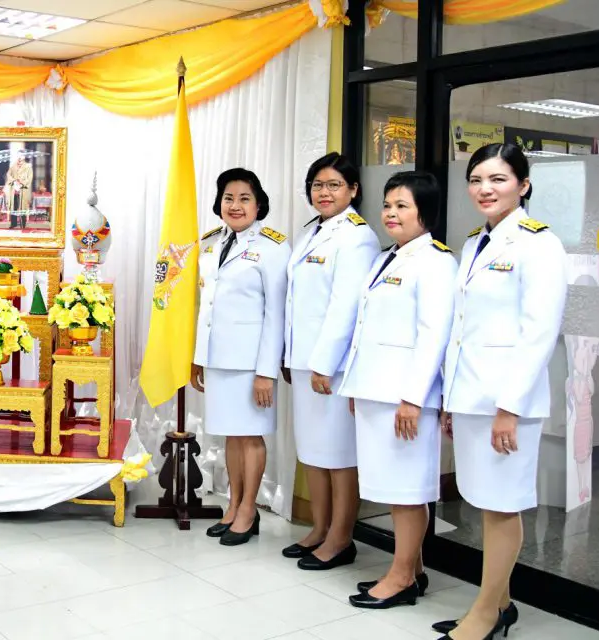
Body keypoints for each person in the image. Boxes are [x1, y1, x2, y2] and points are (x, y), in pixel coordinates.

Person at [436, 143, 566, 640]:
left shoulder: (539, 244)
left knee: (501, 504)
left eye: (498, 179)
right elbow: (462, 328)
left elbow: (539, 333)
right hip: (471, 397)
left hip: (506, 404)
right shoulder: (475, 243)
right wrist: (451, 399)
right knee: (483, 499)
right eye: (476, 180)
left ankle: (486, 614)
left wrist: (508, 407)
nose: (485, 189)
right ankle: (501, 602)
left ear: (524, 185)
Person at [337, 171, 456, 609]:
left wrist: (413, 397)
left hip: (404, 397)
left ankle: (402, 575)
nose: (391, 213)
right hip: (375, 389)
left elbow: (433, 336)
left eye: (402, 205)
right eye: (387, 205)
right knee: (390, 485)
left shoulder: (437, 261)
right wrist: (356, 384)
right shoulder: (388, 257)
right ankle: (414, 568)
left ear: (425, 211)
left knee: (406, 490)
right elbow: (368, 328)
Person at [283, 152, 380, 569]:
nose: (324, 192)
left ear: (353, 190)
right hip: (304, 361)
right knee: (314, 452)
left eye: (334, 185)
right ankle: (320, 528)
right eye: (318, 185)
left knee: (339, 455)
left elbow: (345, 308)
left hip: (332, 367)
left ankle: (341, 538)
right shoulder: (310, 232)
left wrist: (323, 362)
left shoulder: (357, 237)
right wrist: (290, 357)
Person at [191, 168, 289, 546]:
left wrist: (266, 372)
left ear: (259, 204)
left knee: (250, 438)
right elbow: (207, 306)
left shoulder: (273, 246)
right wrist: (199, 357)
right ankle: (233, 505)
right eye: (228, 198)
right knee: (232, 436)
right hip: (218, 358)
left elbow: (276, 313)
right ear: (219, 204)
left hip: (251, 364)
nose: (235, 205)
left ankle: (249, 511)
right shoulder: (212, 243)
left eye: (244, 198)